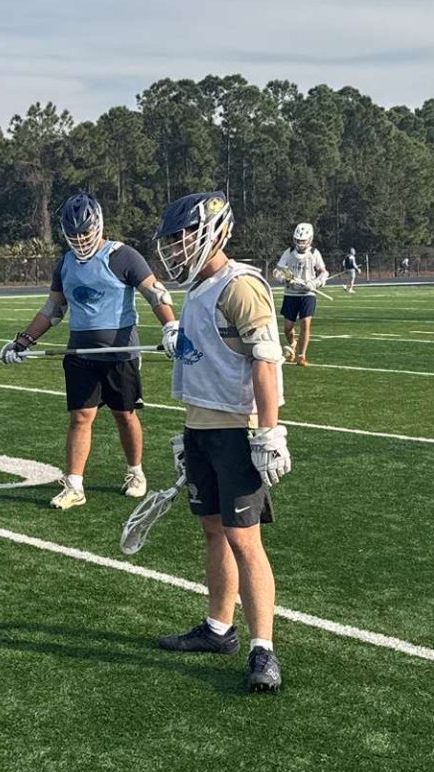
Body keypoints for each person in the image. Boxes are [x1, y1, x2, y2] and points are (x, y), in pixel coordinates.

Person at [153, 191, 288, 693]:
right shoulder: (197, 290)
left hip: (235, 429)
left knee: (244, 539)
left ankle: (263, 649)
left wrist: (269, 430)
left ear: (214, 231)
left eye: (183, 236)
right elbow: (206, 355)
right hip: (202, 428)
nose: (176, 247)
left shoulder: (241, 285)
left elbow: (265, 360)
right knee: (212, 531)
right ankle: (217, 628)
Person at [0, 193, 179, 509]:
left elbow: (155, 293)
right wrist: (23, 341)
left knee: (125, 415)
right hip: (81, 354)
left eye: (84, 232)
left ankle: (135, 472)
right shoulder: (65, 265)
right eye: (74, 234)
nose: (80, 240)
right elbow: (53, 309)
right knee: (80, 417)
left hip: (121, 353)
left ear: (97, 226)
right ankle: (73, 485)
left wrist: (170, 327)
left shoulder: (123, 256)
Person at [274, 222, 328, 366]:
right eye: (298, 241)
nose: (301, 244)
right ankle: (293, 344)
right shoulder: (289, 252)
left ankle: (301, 355)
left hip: (308, 294)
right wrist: (285, 279)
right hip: (291, 294)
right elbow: (277, 271)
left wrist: (315, 283)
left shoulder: (314, 253)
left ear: (309, 239)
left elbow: (324, 272)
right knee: (287, 327)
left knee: (305, 323)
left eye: (303, 241)